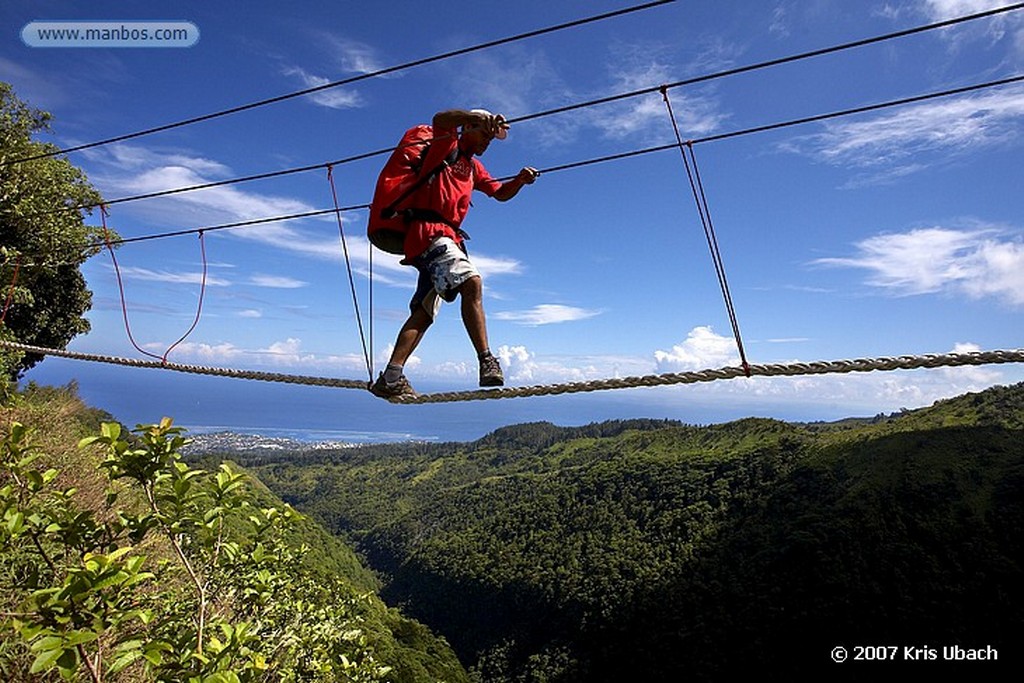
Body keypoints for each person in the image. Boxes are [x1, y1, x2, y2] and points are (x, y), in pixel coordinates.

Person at [369, 108, 539, 399]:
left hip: (444, 238)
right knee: (471, 282)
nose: (487, 141)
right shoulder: (445, 145)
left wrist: (519, 182)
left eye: (490, 138)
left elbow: (498, 193)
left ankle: (392, 376)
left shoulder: (473, 168)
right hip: (430, 232)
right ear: (468, 127)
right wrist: (470, 114)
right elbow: (440, 119)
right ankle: (486, 360)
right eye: (484, 133)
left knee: (424, 311)